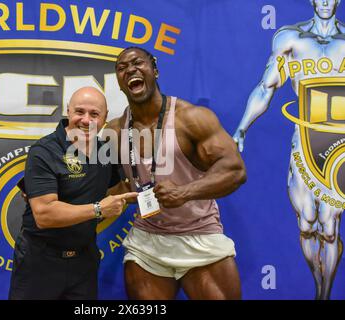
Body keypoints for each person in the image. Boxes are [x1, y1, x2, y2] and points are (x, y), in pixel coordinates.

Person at [104, 47, 247, 300]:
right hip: (146, 243)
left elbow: (235, 170)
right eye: (122, 68)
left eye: (137, 63)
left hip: (199, 235)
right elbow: (104, 182)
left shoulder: (191, 118)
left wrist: (185, 192)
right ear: (119, 82)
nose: (130, 70)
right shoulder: (114, 130)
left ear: (155, 70)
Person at [233, 0, 345, 300]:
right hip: (303, 140)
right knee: (307, 223)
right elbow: (265, 87)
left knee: (330, 226)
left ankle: (324, 292)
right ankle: (316, 274)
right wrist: (242, 128)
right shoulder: (289, 38)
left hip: (340, 142)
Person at [8, 87, 138, 300]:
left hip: (84, 261)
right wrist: (98, 209)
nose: (86, 120)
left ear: (105, 118)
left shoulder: (105, 152)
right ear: (68, 111)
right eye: (79, 111)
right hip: (40, 261)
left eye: (94, 114)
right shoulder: (44, 151)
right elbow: (44, 215)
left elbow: (120, 186)